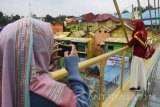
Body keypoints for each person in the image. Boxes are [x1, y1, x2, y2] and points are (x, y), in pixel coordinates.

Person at [0, 18, 90, 107]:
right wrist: (74, 71)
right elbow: (83, 104)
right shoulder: (46, 94)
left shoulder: (4, 83)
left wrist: (46, 63)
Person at [128, 19, 147, 91]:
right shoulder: (144, 32)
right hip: (141, 54)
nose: (134, 26)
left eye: (135, 25)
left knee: (135, 70)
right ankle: (138, 85)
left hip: (137, 54)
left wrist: (130, 41)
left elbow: (130, 44)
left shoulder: (138, 33)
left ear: (139, 25)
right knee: (139, 70)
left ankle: (134, 86)